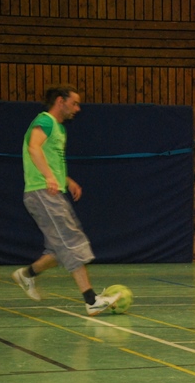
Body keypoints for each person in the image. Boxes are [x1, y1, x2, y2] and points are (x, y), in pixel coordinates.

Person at [12, 85, 121, 316]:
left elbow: (49, 158)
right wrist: (49, 177)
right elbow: (33, 148)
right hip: (42, 191)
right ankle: (91, 301)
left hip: (52, 191)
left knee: (59, 250)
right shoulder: (45, 121)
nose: (77, 109)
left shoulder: (59, 128)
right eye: (74, 103)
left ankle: (27, 275)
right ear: (60, 101)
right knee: (72, 241)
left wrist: (66, 180)